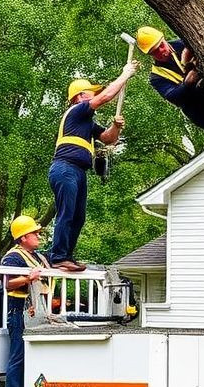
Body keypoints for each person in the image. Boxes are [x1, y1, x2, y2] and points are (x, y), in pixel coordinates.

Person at [50, 63, 139, 272]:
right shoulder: (76, 111)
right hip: (65, 168)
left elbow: (108, 139)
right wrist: (125, 74)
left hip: (79, 171)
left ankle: (67, 256)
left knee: (78, 217)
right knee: (67, 212)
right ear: (80, 96)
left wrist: (115, 127)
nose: (95, 95)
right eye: (91, 92)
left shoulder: (87, 123)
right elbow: (106, 97)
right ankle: (59, 256)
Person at [135, 26, 204, 136]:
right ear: (149, 54)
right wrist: (189, 80)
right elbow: (175, 97)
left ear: (163, 38)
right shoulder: (156, 77)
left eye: (161, 46)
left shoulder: (183, 44)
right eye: (154, 52)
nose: (161, 52)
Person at [1, 215, 51, 387]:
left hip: (37, 312)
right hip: (19, 312)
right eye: (34, 233)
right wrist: (27, 278)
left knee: (36, 355)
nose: (38, 236)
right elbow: (7, 283)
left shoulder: (39, 257)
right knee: (19, 354)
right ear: (23, 237)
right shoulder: (12, 257)